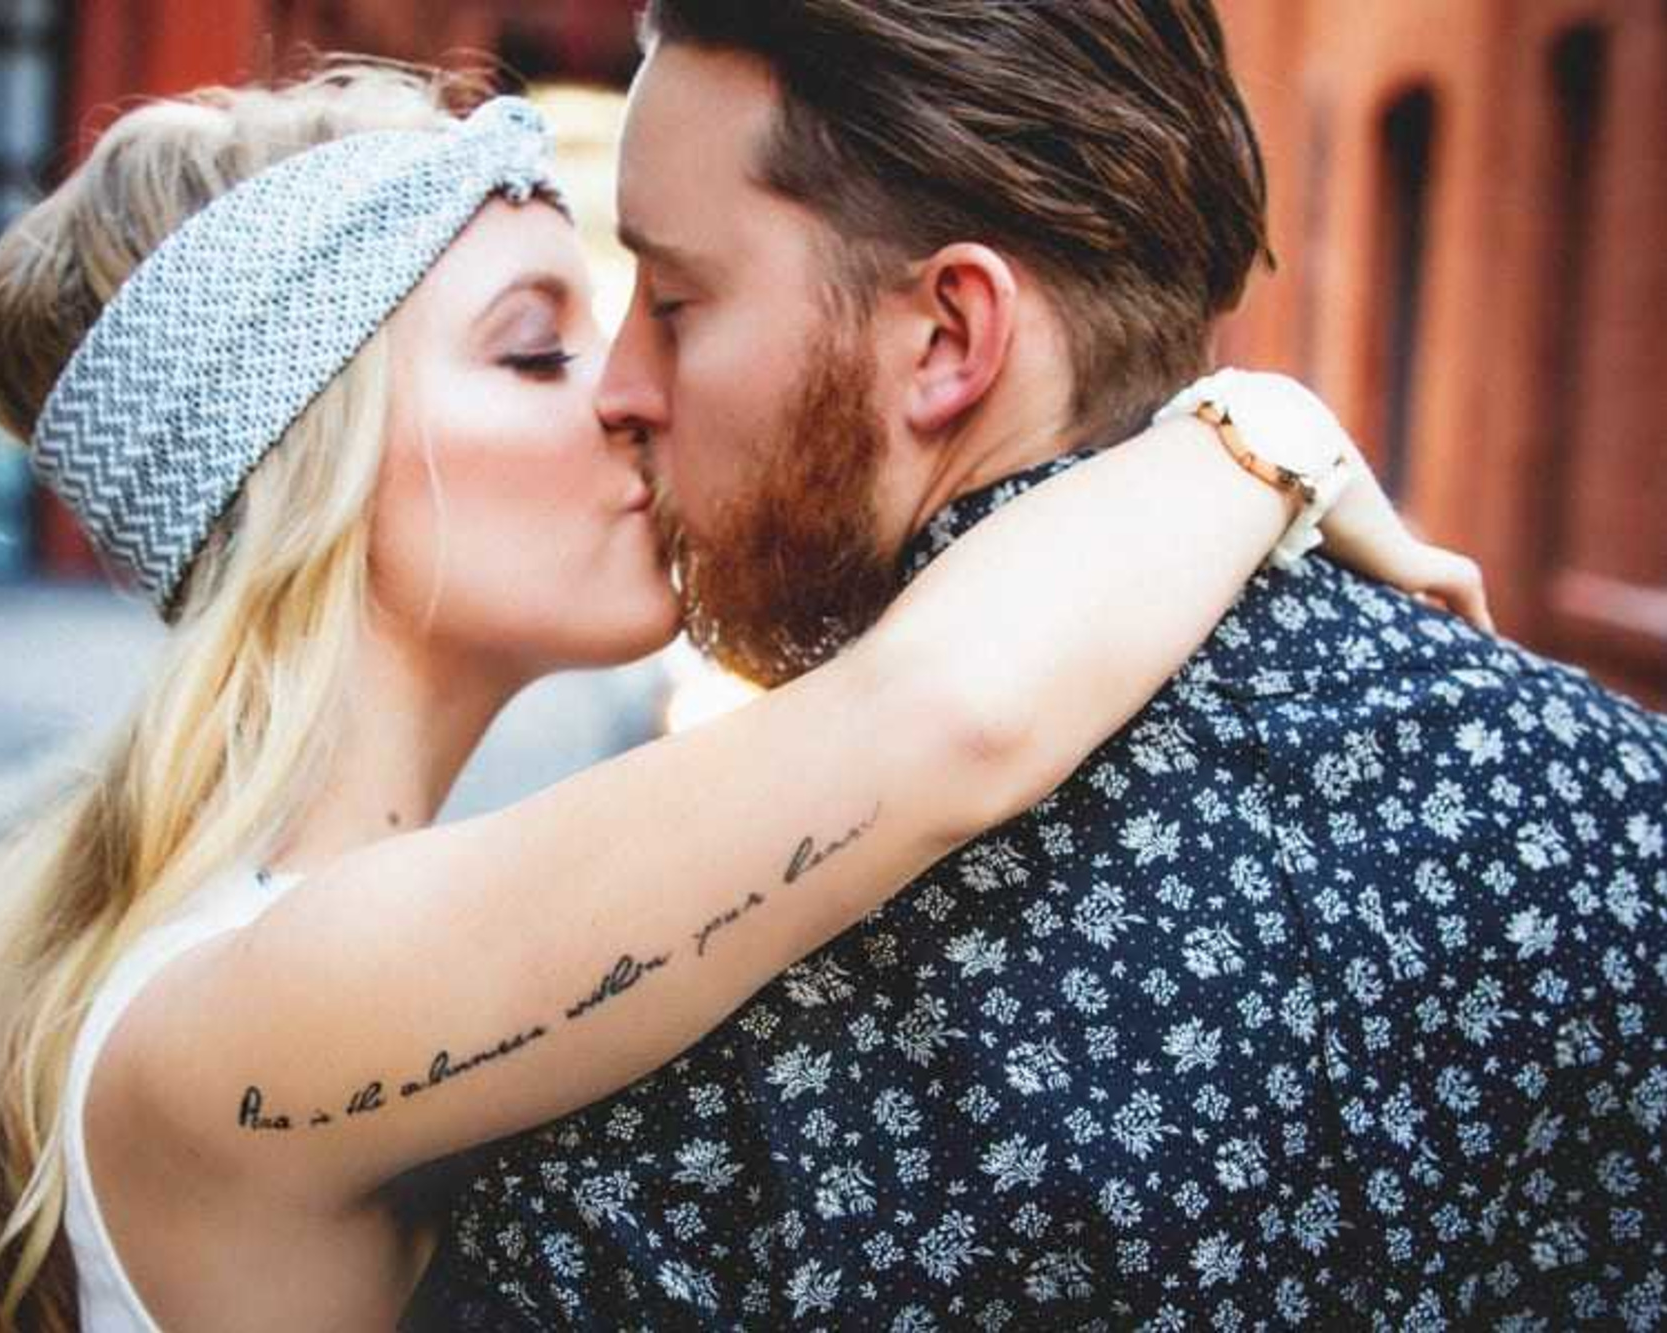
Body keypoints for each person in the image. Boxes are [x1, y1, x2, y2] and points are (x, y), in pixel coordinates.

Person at [0, 63, 1475, 1332]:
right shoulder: (269, 992)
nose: (636, 398)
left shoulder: (263, 937)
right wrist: (1257, 428)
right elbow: (944, 720)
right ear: (317, 469)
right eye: (536, 352)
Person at [407, 4, 1667, 1329]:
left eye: (672, 302)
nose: (623, 385)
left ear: (951, 337)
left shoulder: (647, 1037)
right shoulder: (1629, 810)